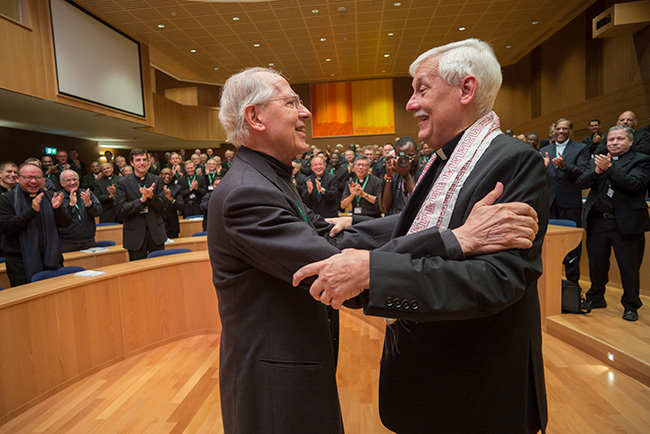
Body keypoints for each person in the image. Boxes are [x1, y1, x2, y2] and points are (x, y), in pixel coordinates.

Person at [209, 65, 540, 434]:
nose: (305, 112)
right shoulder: (246, 192)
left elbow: (334, 239)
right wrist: (454, 238)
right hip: (274, 383)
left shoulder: (268, 177)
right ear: (255, 117)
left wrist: (439, 228)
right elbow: (332, 264)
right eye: (292, 102)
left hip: (292, 367)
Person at [293, 39, 549, 434]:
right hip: (434, 379)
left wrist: (374, 272)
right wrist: (353, 225)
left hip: (475, 386)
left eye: (422, 89)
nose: (411, 103)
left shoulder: (512, 160)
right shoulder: (445, 156)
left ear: (466, 89)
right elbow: (419, 228)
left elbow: (498, 279)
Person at [577, 125, 650, 322]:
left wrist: (609, 169)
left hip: (626, 224)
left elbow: (634, 184)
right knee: (597, 264)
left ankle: (631, 305)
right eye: (611, 140)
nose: (614, 143)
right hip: (598, 221)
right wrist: (598, 171)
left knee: (629, 267)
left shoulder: (642, 160)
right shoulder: (599, 159)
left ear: (630, 141)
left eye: (619, 139)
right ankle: (596, 297)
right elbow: (581, 182)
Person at [0, 163, 70, 286]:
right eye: (28, 177)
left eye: (38, 177)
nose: (33, 181)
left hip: (51, 258)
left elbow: (66, 224)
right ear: (18, 178)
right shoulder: (7, 199)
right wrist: (32, 211)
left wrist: (57, 209)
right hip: (20, 262)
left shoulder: (49, 196)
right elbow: (6, 227)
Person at [539, 118, 589, 285]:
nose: (560, 131)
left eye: (564, 129)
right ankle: (550, 282)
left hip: (570, 202)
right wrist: (542, 168)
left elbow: (582, 172)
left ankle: (572, 284)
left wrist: (564, 166)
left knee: (573, 244)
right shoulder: (545, 149)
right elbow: (538, 176)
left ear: (570, 131)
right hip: (549, 202)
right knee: (547, 242)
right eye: (558, 129)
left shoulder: (581, 148)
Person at [114, 149, 166, 261]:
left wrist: (152, 197)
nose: (142, 163)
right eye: (138, 160)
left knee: (160, 269)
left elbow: (162, 207)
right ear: (132, 163)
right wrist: (141, 200)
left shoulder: (156, 180)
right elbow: (120, 210)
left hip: (156, 233)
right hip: (135, 235)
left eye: (144, 160)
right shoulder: (122, 183)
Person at [58, 169, 102, 253]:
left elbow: (98, 212)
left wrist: (89, 204)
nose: (72, 182)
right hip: (67, 243)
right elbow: (60, 220)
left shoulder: (87, 194)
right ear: (61, 183)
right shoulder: (58, 197)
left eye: (74, 179)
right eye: (68, 180)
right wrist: (70, 205)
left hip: (88, 241)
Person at [381, 136, 420, 215]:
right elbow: (384, 208)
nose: (408, 161)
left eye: (411, 155)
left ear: (417, 152)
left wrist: (406, 176)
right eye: (402, 157)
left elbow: (420, 205)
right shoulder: (395, 174)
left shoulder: (426, 172)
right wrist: (389, 176)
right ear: (396, 156)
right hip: (396, 220)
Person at [159, 167, 184, 239]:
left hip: (172, 225)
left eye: (169, 174)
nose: (167, 176)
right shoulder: (155, 188)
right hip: (158, 224)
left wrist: (171, 199)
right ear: (160, 175)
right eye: (165, 174)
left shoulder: (176, 188)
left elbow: (181, 205)